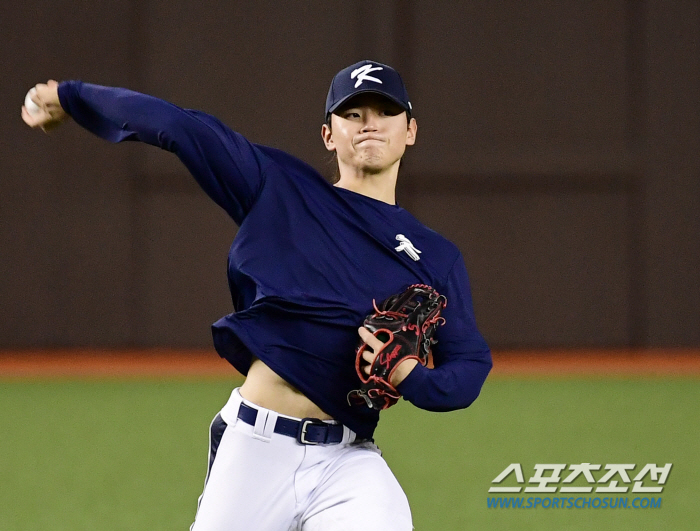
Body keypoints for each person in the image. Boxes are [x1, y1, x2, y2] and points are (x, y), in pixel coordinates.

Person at [22, 60, 492, 531]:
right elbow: (181, 128)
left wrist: (411, 377)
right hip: (256, 448)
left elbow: (469, 363)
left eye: (384, 111)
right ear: (329, 135)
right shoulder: (279, 189)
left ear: (410, 130)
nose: (368, 123)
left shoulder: (434, 257)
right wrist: (72, 97)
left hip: (349, 463)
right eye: (352, 114)